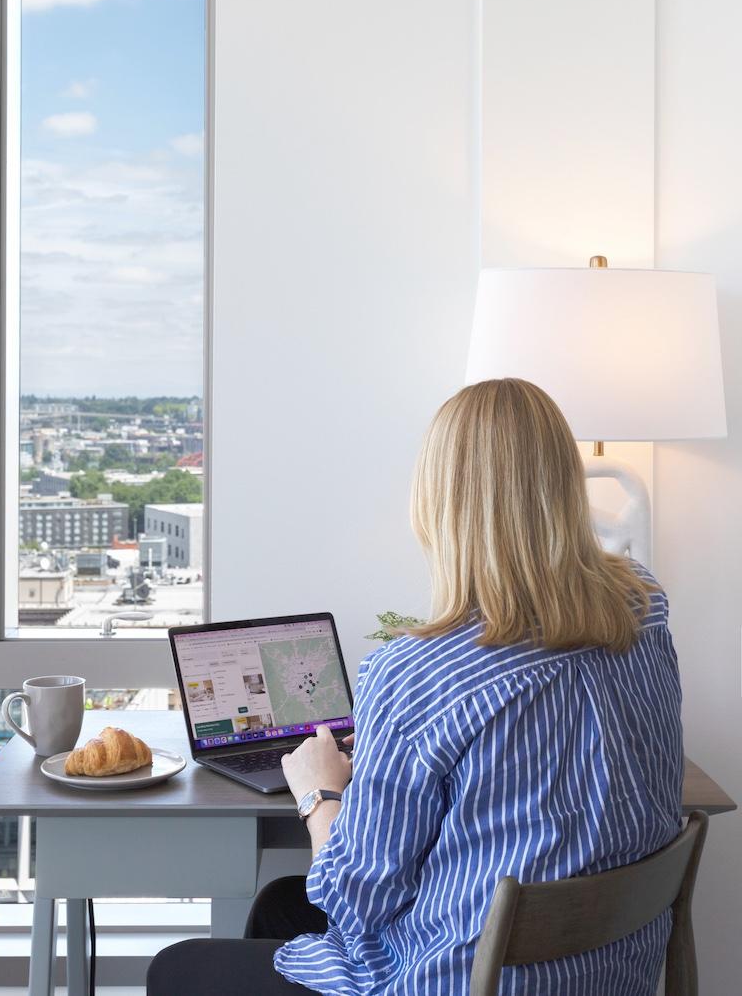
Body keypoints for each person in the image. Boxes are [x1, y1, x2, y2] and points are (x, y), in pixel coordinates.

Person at [147, 378, 683, 995]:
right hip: (614, 969)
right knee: (277, 906)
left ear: (438, 502)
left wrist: (319, 792)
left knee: (177, 966)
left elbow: (355, 900)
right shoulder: (644, 606)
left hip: (468, 978)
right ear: (564, 483)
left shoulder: (418, 674)